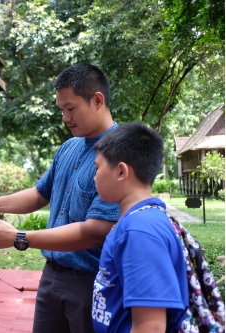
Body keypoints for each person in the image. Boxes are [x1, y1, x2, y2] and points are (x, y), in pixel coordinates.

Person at [0, 63, 120, 333]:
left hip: (90, 281)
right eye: (61, 110)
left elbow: (96, 231)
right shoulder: (69, 147)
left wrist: (20, 238)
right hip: (51, 275)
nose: (65, 118)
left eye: (71, 108)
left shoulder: (119, 152)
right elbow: (40, 193)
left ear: (97, 100)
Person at [91, 122, 188, 332]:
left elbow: (150, 327)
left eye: (97, 168)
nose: (94, 176)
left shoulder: (140, 231)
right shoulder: (137, 222)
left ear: (121, 171)